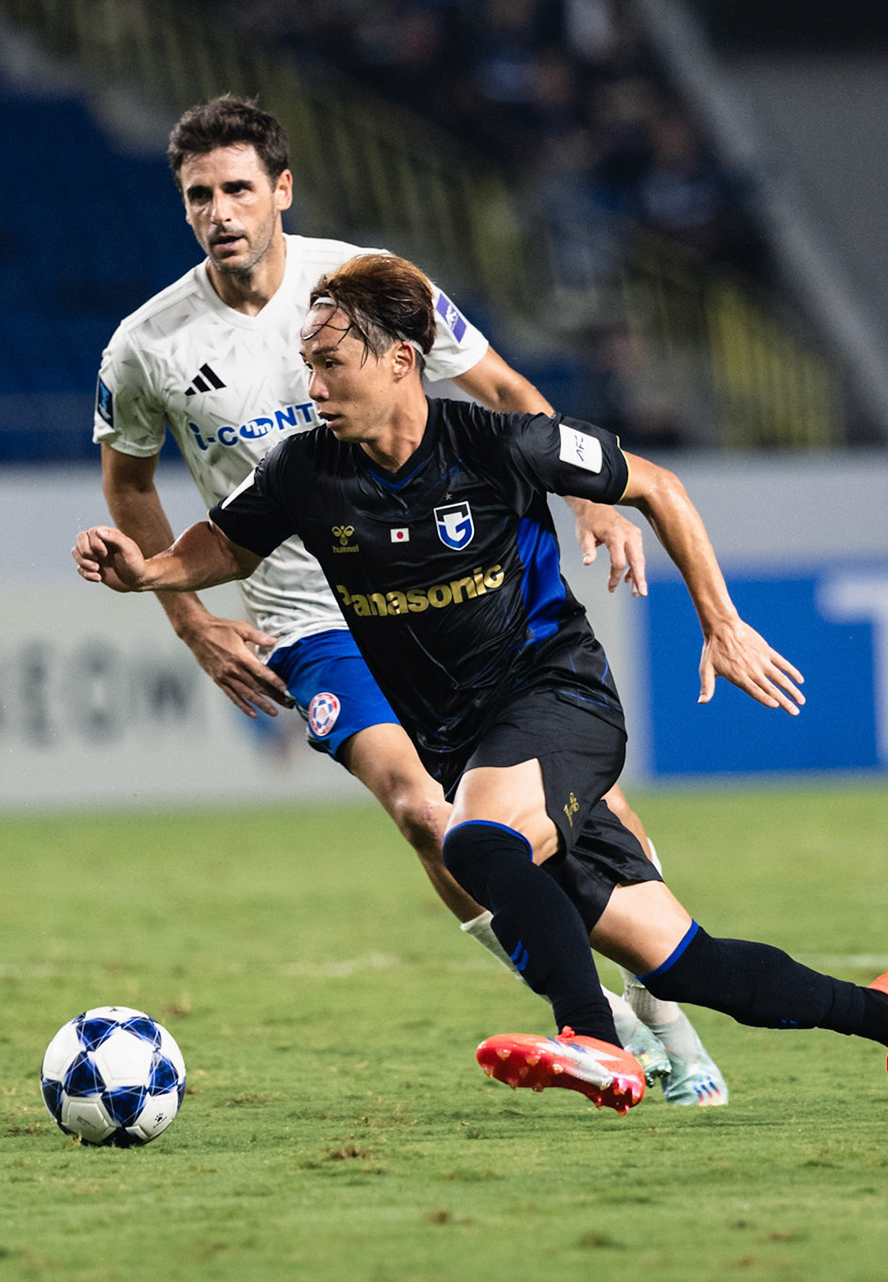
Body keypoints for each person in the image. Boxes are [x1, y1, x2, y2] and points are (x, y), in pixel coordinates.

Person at [75, 251, 888, 1120]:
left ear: (402, 361)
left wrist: (720, 621)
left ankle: (595, 1039)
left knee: (471, 840)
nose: (311, 389)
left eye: (329, 365)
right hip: (470, 742)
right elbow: (224, 546)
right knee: (688, 965)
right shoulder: (309, 471)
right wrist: (145, 573)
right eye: (307, 366)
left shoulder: (500, 445)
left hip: (561, 701)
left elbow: (660, 487)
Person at [94, 94, 727, 1104]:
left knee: (578, 812)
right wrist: (194, 623)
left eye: (238, 189)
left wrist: (596, 497)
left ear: (281, 191)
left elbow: (507, 389)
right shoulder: (148, 344)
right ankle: (594, 1022)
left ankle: (666, 1010)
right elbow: (130, 487)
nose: (219, 212)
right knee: (424, 813)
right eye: (198, 195)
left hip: (447, 589)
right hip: (309, 613)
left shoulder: (369, 292)